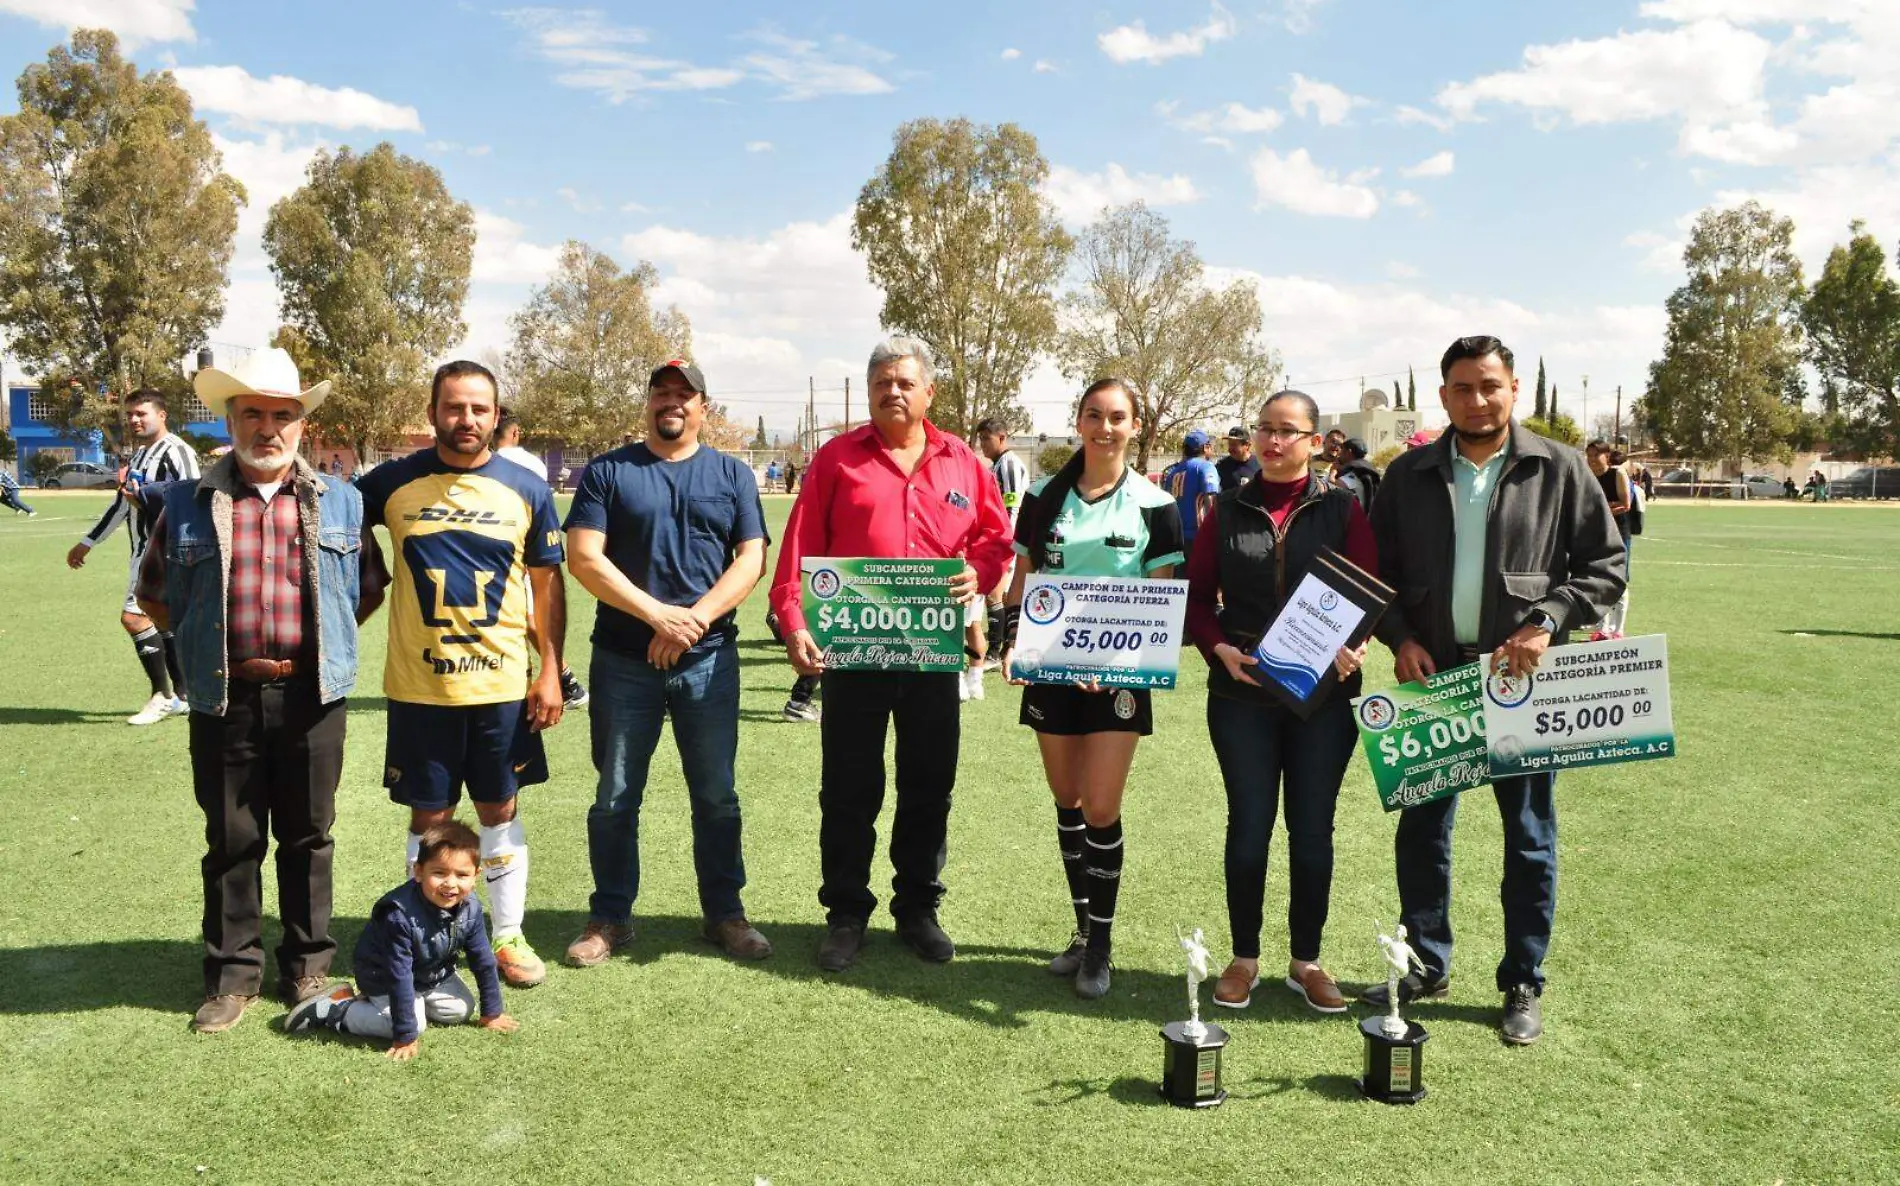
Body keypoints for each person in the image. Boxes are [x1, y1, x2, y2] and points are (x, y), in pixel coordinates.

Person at [1365, 335, 1624, 1045]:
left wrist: (1545, 622)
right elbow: (1375, 574)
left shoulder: (1561, 467)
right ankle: (1425, 962)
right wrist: (1400, 638)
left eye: (1491, 386)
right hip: (1435, 678)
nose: (1477, 400)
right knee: (1422, 829)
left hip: (1522, 686)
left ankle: (1521, 981)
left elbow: (1606, 568)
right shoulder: (1408, 473)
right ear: (1442, 395)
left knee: (1530, 837)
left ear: (1515, 389)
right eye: (1462, 388)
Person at [134, 347, 385, 1033]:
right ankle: (231, 975)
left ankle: (308, 967)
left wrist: (308, 651)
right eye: (253, 414)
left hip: (312, 697)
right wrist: (212, 649)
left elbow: (362, 593)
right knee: (232, 839)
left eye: (282, 415)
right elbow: (157, 595)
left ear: (301, 425)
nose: (268, 429)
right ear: (230, 420)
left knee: (309, 836)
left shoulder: (345, 502)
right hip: (225, 699)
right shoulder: (183, 503)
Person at [769, 337, 1012, 972]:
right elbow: (797, 552)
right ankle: (846, 913)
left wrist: (979, 573)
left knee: (930, 784)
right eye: (881, 381)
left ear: (929, 392)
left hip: (933, 656)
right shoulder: (836, 460)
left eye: (905, 381)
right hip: (853, 651)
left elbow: (996, 538)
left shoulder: (963, 461)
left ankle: (917, 908)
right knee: (849, 786)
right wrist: (795, 623)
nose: (892, 390)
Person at [357, 360, 568, 991]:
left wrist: (552, 669)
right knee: (429, 819)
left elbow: (547, 589)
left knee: (499, 808)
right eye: (454, 407)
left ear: (496, 415)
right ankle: (423, 943)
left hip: (501, 685)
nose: (467, 419)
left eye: (480, 409)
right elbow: (327, 519)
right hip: (420, 688)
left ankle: (505, 934)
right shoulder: (390, 483)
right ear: (433, 413)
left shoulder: (526, 488)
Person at [561, 360, 772, 966]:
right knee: (615, 796)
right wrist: (659, 617)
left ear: (704, 406)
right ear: (648, 403)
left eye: (684, 394)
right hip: (625, 660)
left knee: (716, 796)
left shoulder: (730, 473)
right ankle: (610, 917)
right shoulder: (608, 471)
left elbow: (750, 559)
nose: (672, 403)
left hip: (708, 659)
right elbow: (584, 559)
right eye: (662, 393)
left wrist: (692, 622)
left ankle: (725, 915)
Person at [1184, 390, 1377, 1016]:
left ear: (1315, 442)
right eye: (1266, 429)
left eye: (1288, 431)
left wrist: (1355, 646)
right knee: (1248, 829)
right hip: (1242, 695)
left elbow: (1370, 595)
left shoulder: (1344, 509)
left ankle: (1306, 962)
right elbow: (1195, 599)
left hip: (1324, 699)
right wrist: (1219, 649)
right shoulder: (1228, 508)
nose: (1274, 440)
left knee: (1312, 832)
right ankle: (1244, 959)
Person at [999, 377, 1183, 999]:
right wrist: (1011, 642)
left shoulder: (1156, 503)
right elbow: (1023, 576)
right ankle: (1080, 929)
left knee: (1102, 805)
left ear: (1136, 426)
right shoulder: (1045, 497)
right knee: (1067, 796)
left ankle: (1101, 946)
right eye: (1094, 415)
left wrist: (1120, 663)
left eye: (1118, 417)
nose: (1105, 427)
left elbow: (1164, 603)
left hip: (1121, 677)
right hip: (1051, 670)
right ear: (1078, 422)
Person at [286, 821, 519, 1058]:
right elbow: (399, 975)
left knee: (461, 1009)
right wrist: (405, 1035)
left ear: (476, 876)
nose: (450, 884)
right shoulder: (399, 916)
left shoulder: (471, 907)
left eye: (462, 875)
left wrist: (492, 1013)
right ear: (419, 871)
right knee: (413, 1025)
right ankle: (337, 1009)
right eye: (439, 873)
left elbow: (482, 959)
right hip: (384, 977)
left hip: (430, 975)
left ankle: (405, 1006)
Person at [66, 388, 200, 725]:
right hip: (142, 548)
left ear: (162, 415)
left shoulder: (177, 452)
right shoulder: (139, 456)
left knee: (134, 618)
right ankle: (183, 696)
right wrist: (88, 541)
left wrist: (148, 501)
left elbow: (193, 500)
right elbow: (122, 504)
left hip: (165, 551)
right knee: (160, 619)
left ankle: (162, 695)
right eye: (130, 415)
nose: (134, 420)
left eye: (141, 413)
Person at [494, 407, 590, 710]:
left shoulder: (484, 462)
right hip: (526, 550)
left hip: (501, 554)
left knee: (527, 618)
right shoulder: (531, 463)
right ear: (515, 432)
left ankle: (566, 680)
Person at [973, 417, 1031, 701]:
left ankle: (995, 652)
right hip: (1006, 538)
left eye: (987, 438)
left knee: (995, 595)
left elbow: (1011, 504)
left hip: (1008, 539)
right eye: (981, 439)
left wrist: (1005, 540)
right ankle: (1003, 646)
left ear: (1002, 438)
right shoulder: (997, 465)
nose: (983, 444)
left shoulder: (1007, 464)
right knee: (1001, 596)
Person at [1585, 441, 1633, 641]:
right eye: (1589, 455)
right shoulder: (1586, 475)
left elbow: (1625, 504)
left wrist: (1603, 510)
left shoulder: (1617, 474)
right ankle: (1602, 628)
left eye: (1596, 455)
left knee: (1619, 579)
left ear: (1607, 455)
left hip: (1618, 533)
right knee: (1598, 579)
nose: (1592, 460)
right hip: (1594, 532)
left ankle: (1617, 630)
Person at [1160, 429, 1220, 550]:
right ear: (1205, 447)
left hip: (1175, 536)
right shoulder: (1206, 466)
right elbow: (1210, 498)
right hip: (1198, 536)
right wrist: (1215, 531)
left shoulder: (1173, 472)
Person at [1333, 437, 1381, 509]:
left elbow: (1334, 486)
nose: (1339, 454)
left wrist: (1332, 472)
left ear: (1349, 452)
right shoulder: (1366, 467)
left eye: (1342, 450)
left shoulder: (1357, 471)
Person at [1213, 425, 1259, 493]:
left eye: (1234, 444)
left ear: (1247, 445)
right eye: (1229, 444)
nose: (1230, 449)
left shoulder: (1260, 465)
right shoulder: (1221, 466)